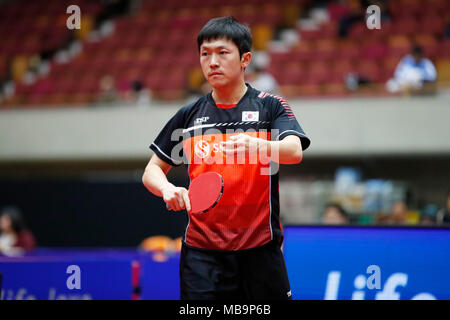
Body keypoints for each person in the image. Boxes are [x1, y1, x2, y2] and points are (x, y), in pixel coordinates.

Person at [142, 16, 311, 300]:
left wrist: (256, 144)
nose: (212, 62)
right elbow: (152, 170)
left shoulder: (270, 107)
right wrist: (167, 188)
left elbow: (294, 152)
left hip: (260, 250)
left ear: (245, 59)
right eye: (205, 54)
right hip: (202, 255)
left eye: (222, 53)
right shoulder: (189, 116)